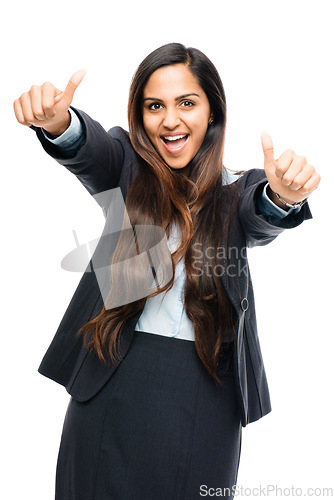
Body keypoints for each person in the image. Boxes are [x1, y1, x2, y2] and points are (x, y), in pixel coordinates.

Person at [13, 43, 320, 500]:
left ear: (212, 113)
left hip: (204, 388)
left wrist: (283, 196)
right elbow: (90, 148)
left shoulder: (241, 190)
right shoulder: (127, 168)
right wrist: (58, 122)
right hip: (111, 375)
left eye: (187, 103)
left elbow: (261, 213)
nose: (170, 120)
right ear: (141, 117)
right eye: (154, 106)